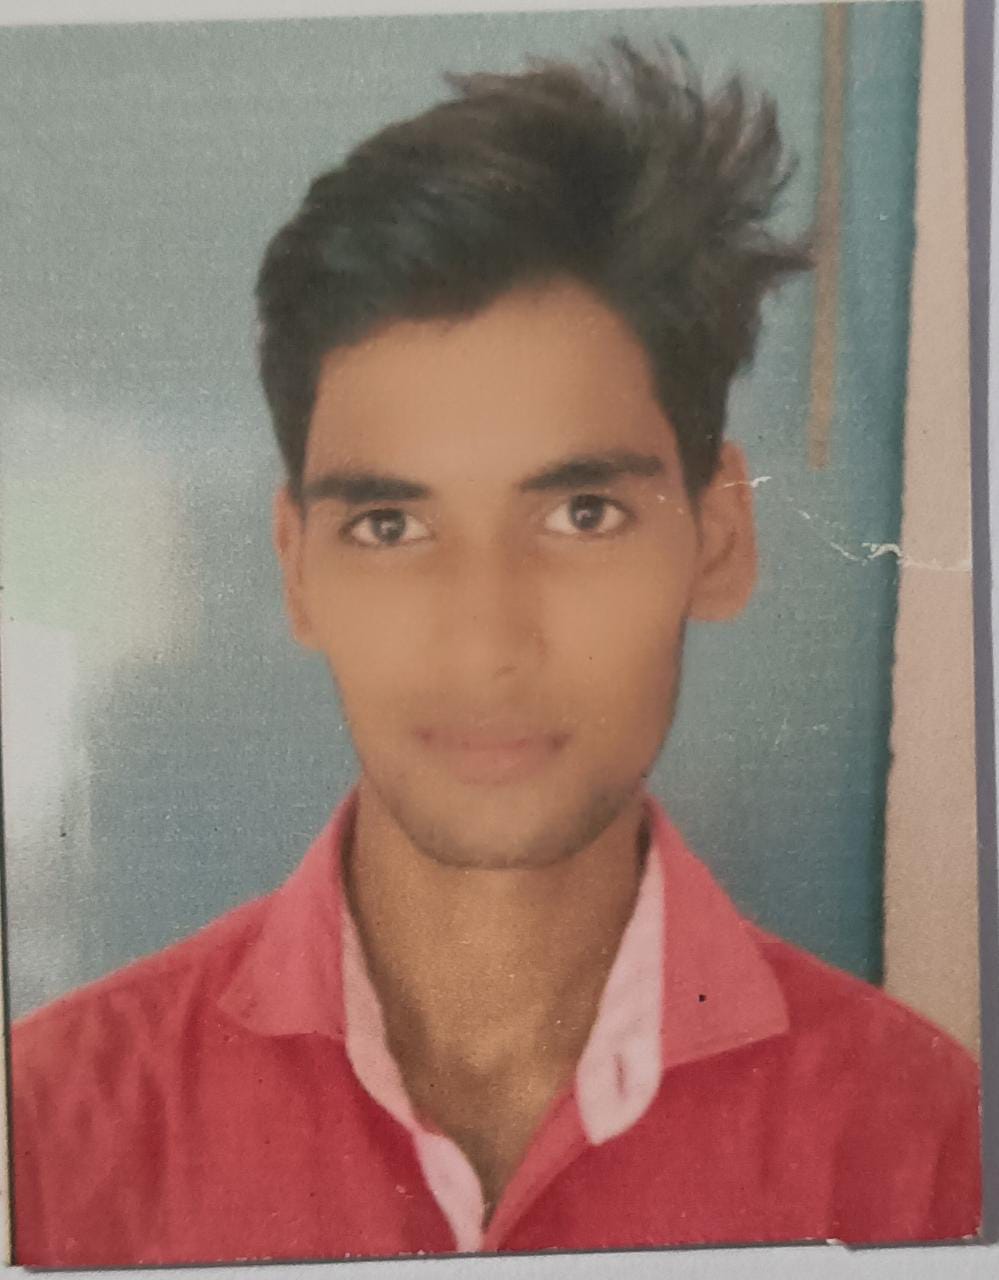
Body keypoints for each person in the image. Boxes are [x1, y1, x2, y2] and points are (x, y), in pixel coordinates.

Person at [11, 39, 980, 1266]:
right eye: (391, 525)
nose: (485, 644)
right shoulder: (43, 1134)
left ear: (720, 536)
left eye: (581, 512)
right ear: (298, 565)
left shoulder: (929, 1141)